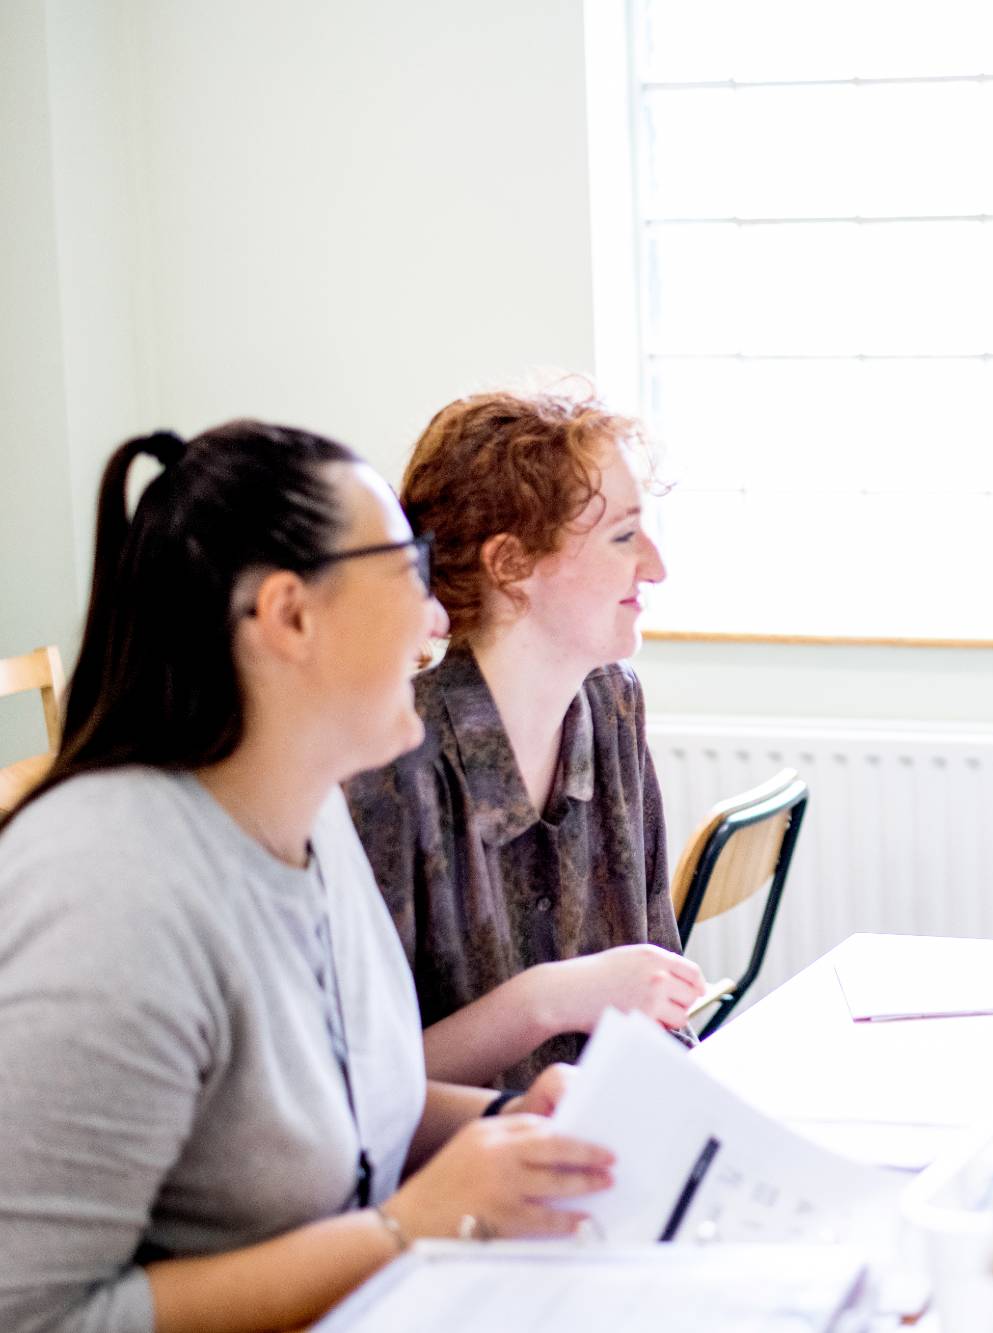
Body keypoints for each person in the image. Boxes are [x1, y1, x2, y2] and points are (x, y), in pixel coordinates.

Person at [0, 423, 613, 1333]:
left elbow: (337, 1124)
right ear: (289, 615)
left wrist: (514, 1125)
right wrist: (409, 1228)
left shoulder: (310, 812)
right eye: (409, 568)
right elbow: (37, 1316)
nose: (439, 614)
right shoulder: (110, 896)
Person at [344, 387, 702, 1091]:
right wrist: (547, 1000)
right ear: (509, 564)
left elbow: (659, 989)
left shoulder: (611, 700)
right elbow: (359, 1094)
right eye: (624, 536)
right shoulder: (386, 757)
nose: (656, 566)